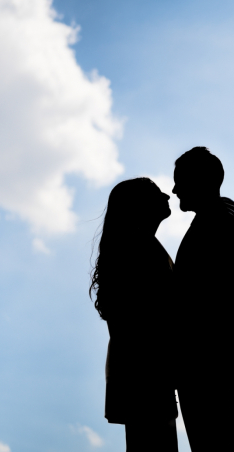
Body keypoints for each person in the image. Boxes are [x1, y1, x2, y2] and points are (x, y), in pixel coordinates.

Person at [172, 147, 234, 452]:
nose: (175, 189)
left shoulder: (218, 221)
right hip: (209, 353)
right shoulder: (221, 218)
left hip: (204, 354)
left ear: (202, 180)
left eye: (180, 180)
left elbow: (201, 295)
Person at [89, 177, 179, 452]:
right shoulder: (138, 249)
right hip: (145, 371)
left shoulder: (138, 246)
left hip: (143, 369)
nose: (166, 195)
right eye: (155, 193)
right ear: (139, 206)